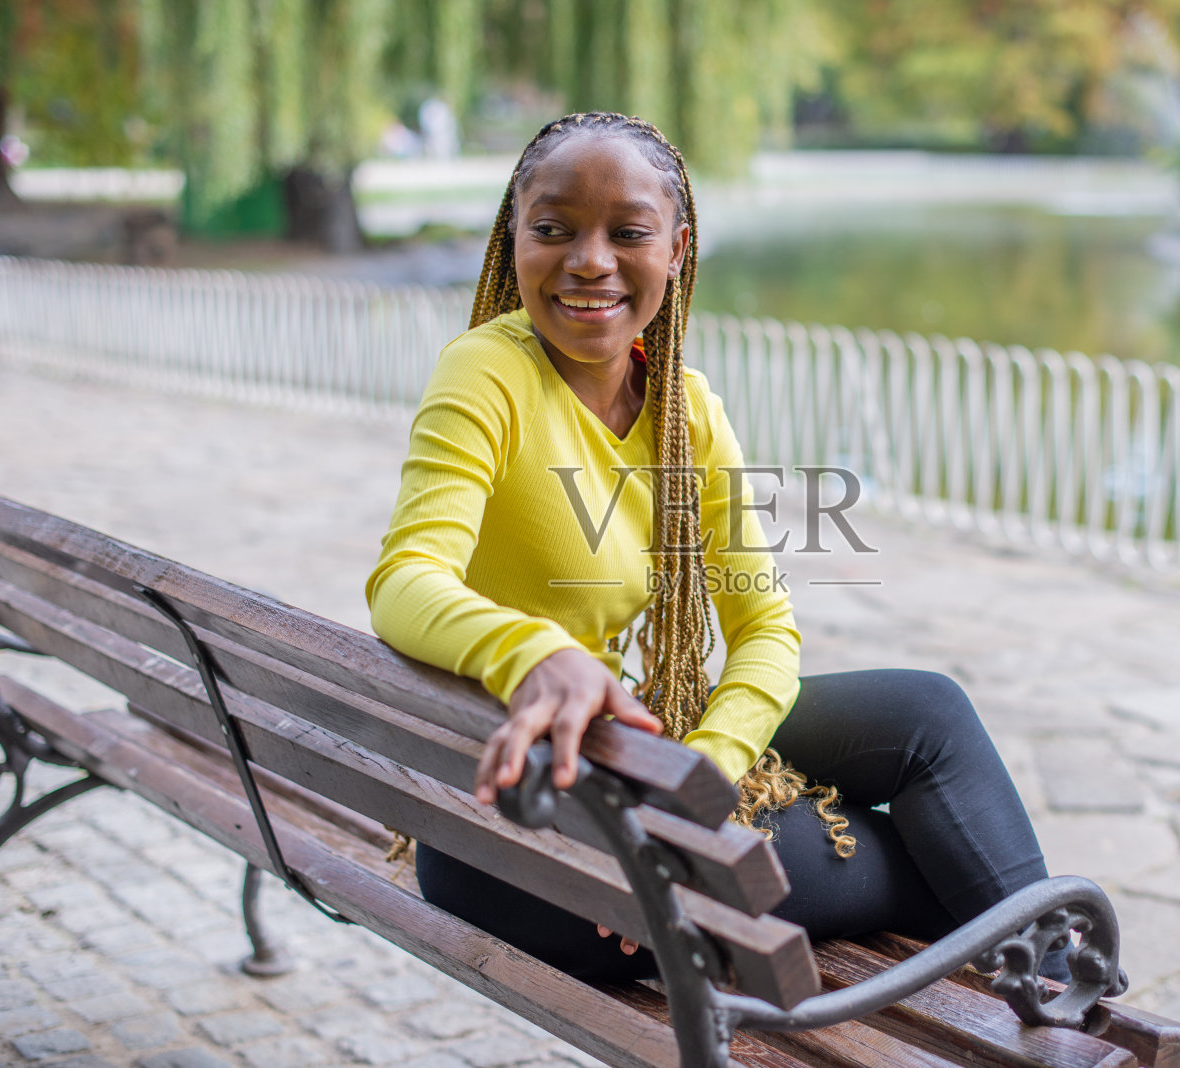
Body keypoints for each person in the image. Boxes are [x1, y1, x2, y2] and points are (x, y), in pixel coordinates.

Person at [367, 111, 1067, 984]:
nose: (589, 260)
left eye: (629, 233)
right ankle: (1071, 1000)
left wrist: (701, 778)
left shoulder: (684, 409)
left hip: (625, 765)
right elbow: (406, 580)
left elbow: (766, 629)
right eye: (554, 229)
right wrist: (536, 654)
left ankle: (1058, 980)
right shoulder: (489, 369)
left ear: (677, 249)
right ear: (515, 238)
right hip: (525, 835)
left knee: (927, 713)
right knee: (938, 868)